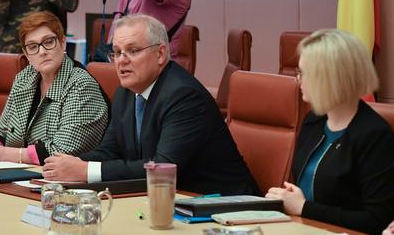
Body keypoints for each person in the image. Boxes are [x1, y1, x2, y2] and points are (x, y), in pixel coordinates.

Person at [43, 14, 258, 195]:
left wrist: (85, 170)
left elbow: (162, 169)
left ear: (161, 53)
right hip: (169, 202)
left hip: (225, 208)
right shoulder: (125, 94)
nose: (121, 60)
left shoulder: (183, 96)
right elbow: (109, 152)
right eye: (116, 52)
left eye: (133, 51)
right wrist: (64, 165)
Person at [266, 29, 394, 234]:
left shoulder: (374, 135)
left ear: (328, 79)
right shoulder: (313, 122)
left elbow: (376, 220)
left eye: (303, 73)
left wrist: (303, 207)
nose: (298, 80)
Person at [0, 11, 108, 165]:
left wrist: (2, 154)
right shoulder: (24, 78)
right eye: (32, 47)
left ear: (63, 42)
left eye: (49, 42)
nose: (42, 52)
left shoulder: (82, 86)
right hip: (23, 174)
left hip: (67, 181)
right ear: (26, 54)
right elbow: (3, 131)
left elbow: (62, 150)